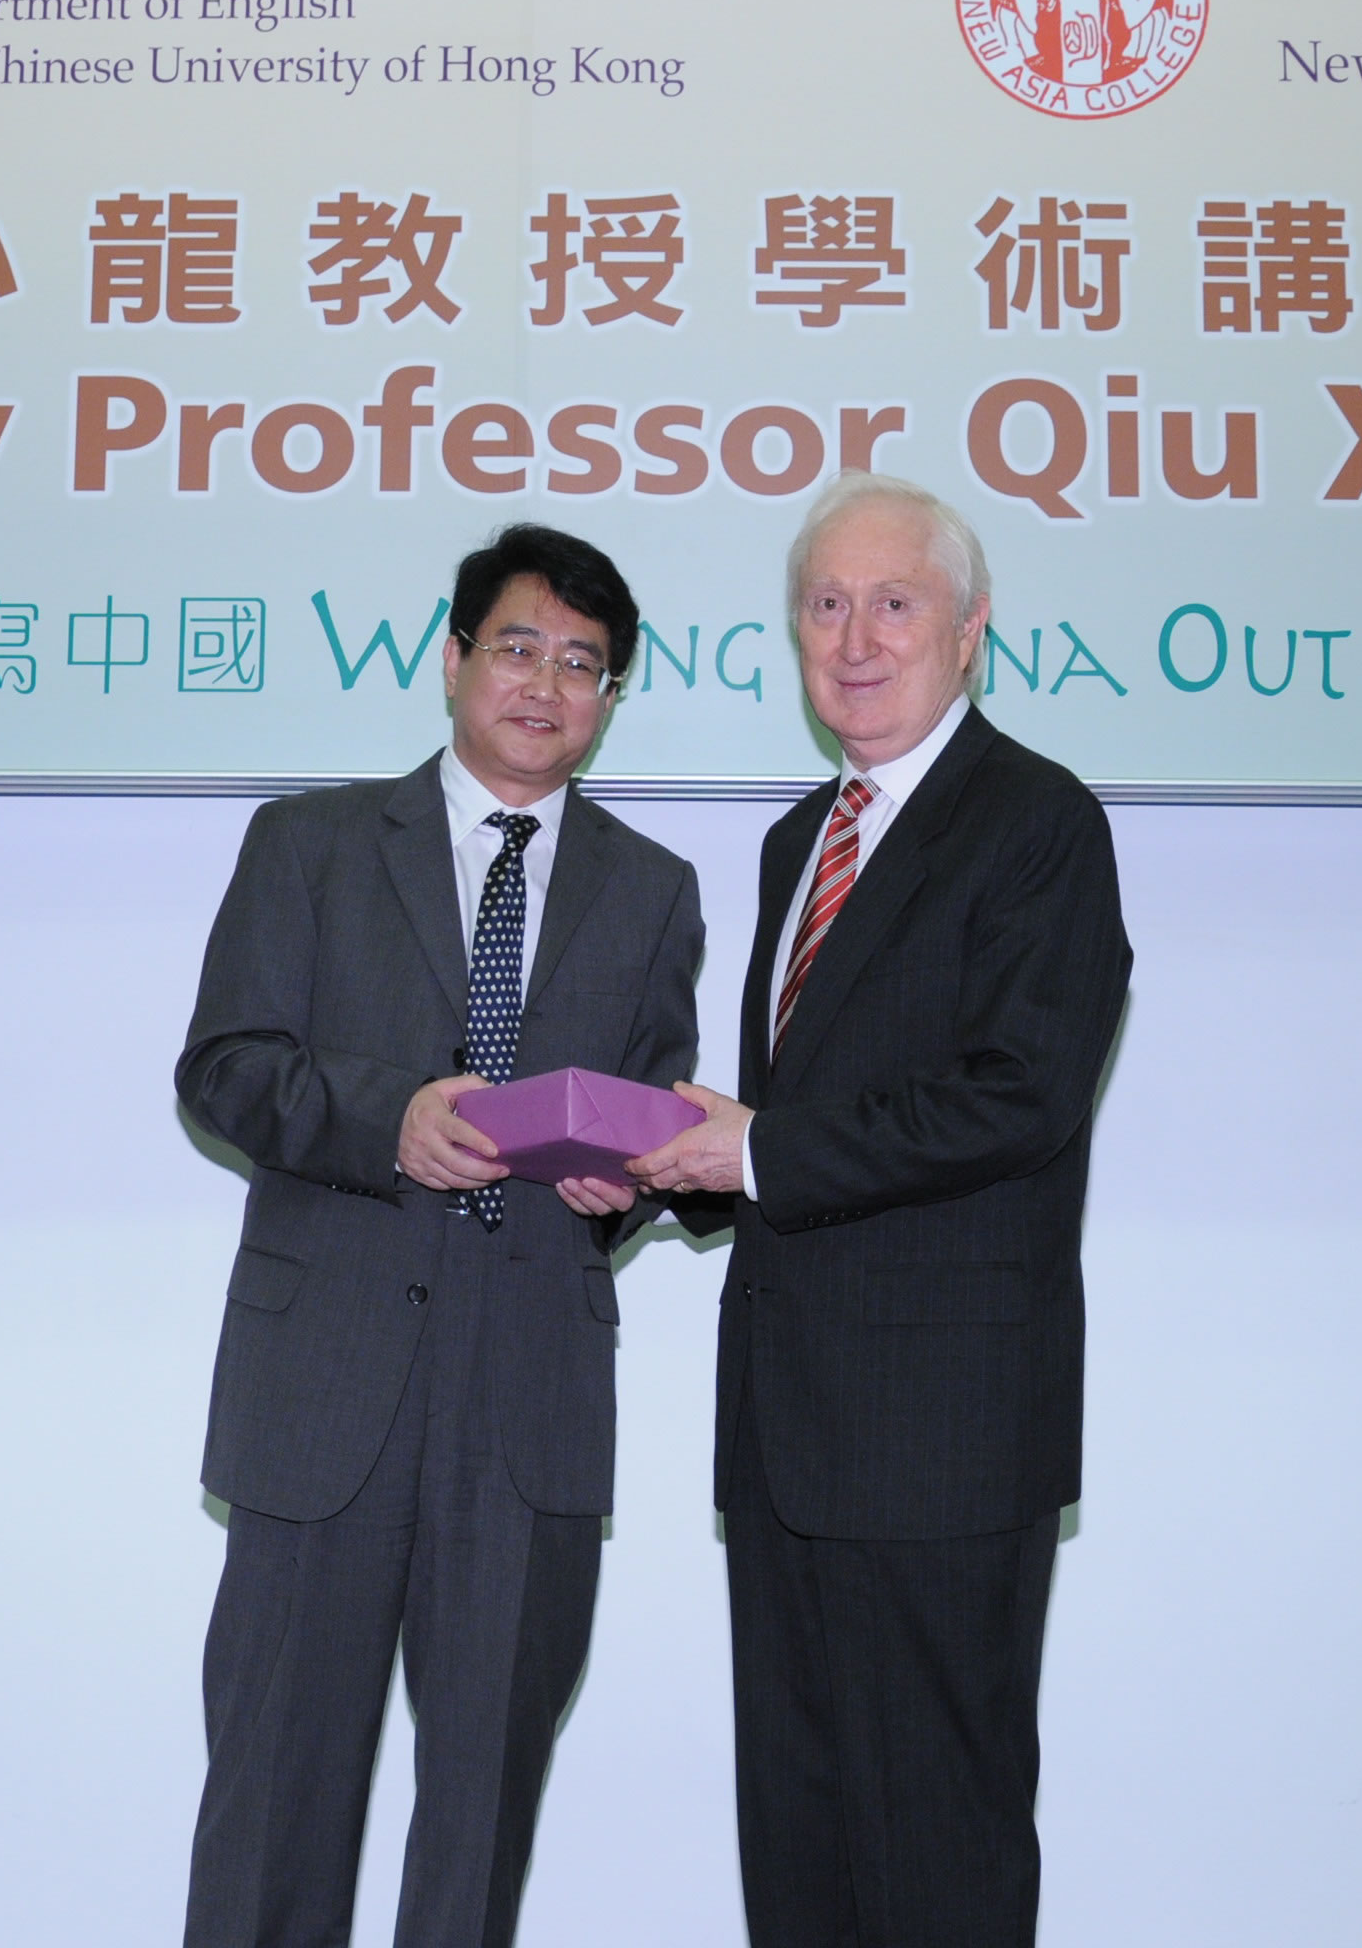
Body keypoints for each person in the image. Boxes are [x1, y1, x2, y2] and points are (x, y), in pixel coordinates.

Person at [175, 524, 704, 1948]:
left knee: (476, 1830)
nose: (545, 685)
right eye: (519, 647)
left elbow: (658, 1116)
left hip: (525, 1397)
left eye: (583, 665)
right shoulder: (315, 842)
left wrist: (638, 1183)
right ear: (455, 656)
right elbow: (223, 1069)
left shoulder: (655, 892)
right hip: (327, 1388)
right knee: (276, 1800)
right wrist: (387, 1114)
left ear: (610, 697)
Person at [631, 474, 1132, 1948]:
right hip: (786, 1439)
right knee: (799, 1849)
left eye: (895, 603)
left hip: (942, 1444)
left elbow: (1019, 1096)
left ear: (971, 632)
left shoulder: (1037, 823)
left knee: (937, 1856)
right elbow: (786, 1127)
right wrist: (653, 1170)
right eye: (826, 605)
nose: (856, 638)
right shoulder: (803, 841)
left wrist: (759, 1152)